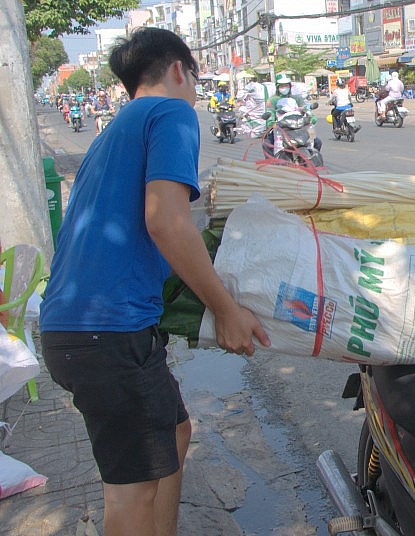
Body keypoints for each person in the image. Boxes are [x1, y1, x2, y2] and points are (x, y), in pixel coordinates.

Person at [39, 28, 270, 536]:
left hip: (82, 328)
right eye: (195, 79)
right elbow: (166, 221)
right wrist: (228, 309)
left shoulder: (115, 127)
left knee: (174, 433)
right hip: (107, 332)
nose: (196, 92)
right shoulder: (172, 112)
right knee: (133, 492)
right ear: (178, 70)